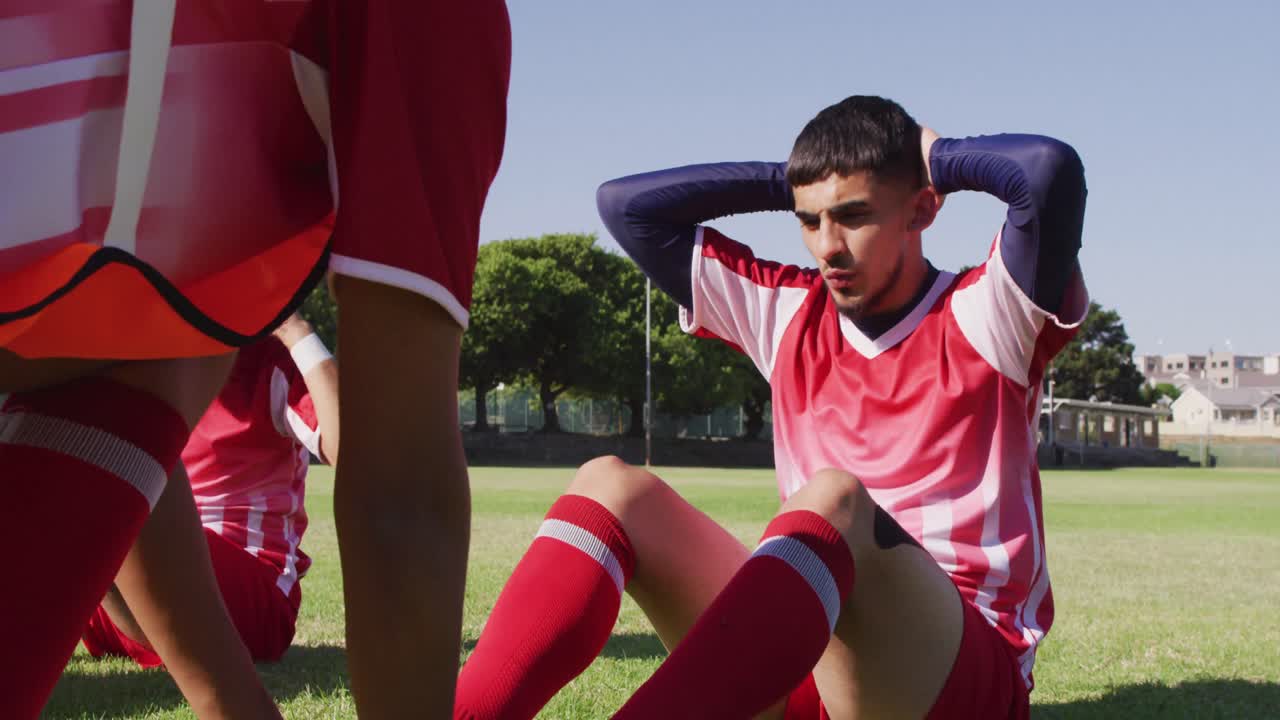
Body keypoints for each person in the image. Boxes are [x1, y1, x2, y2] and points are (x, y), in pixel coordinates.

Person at [453, 95, 1087, 719]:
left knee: (833, 499)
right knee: (610, 486)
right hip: (808, 662)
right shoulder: (788, 312)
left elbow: (1045, 172)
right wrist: (793, 179)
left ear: (921, 209)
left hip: (952, 678)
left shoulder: (989, 313)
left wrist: (933, 157)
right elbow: (627, 207)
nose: (827, 246)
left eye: (855, 214)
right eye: (809, 220)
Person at [0, 2, 510, 717]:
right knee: (173, 315)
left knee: (151, 325)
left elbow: (349, 448)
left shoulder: (248, 367)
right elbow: (402, 492)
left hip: (229, 574)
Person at [82, 313, 337, 667]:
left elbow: (351, 449)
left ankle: (112, 579)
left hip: (247, 590)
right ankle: (121, 596)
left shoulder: (268, 359)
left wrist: (298, 332)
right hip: (133, 587)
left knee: (107, 507)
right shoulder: (149, 356)